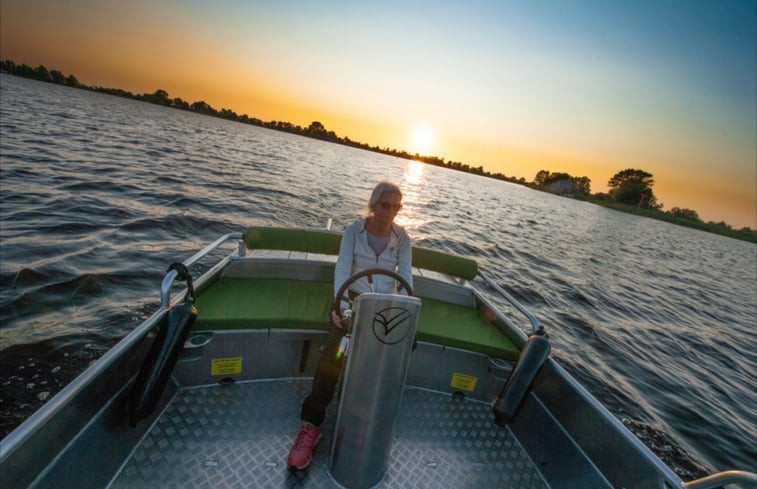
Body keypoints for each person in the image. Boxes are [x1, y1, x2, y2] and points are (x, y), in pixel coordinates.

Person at [287, 180, 413, 470]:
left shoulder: (403, 238)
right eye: (386, 205)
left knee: (397, 353)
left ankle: (366, 421)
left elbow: (406, 277)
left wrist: (404, 311)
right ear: (373, 205)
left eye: (397, 206)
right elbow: (343, 268)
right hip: (353, 302)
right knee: (333, 356)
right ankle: (311, 425)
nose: (391, 211)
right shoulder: (353, 232)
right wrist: (340, 306)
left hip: (386, 308)